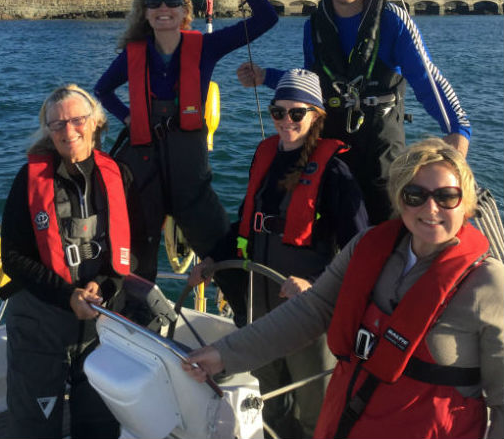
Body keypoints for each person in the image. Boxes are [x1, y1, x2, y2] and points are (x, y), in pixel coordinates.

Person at [183, 138, 504, 439]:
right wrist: (224, 354)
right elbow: (311, 310)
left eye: (447, 197)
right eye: (415, 195)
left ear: (466, 204)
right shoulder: (368, 248)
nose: (431, 209)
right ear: (399, 199)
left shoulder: (487, 283)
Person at [237, 0, 471, 224]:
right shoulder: (314, 26)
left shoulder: (392, 20)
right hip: (331, 142)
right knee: (331, 225)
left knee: (384, 227)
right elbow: (313, 84)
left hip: (381, 145)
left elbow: (427, 80)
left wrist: (457, 128)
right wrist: (265, 77)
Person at [188, 68, 368, 438]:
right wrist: (210, 260)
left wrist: (315, 284)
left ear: (316, 115)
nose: (286, 120)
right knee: (270, 395)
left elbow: (360, 249)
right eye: (278, 112)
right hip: (261, 304)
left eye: (297, 113)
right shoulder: (265, 157)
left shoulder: (335, 172)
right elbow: (244, 226)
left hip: (308, 310)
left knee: (312, 403)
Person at [94, 0, 278, 280]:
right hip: (142, 167)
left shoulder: (207, 47)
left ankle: (246, 320)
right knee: (134, 257)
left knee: (222, 250)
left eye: (172, 1)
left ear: (184, 10)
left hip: (189, 169)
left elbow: (266, 18)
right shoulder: (133, 55)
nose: (163, 8)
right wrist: (127, 116)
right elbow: (102, 90)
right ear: (145, 12)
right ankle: (134, 322)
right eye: (154, 2)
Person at [1, 84, 142, 439]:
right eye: (57, 124)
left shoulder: (119, 176)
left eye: (77, 120)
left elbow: (133, 246)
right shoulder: (28, 181)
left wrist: (107, 284)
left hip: (101, 322)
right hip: (40, 322)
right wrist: (67, 295)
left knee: (99, 424)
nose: (68, 131)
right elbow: (13, 258)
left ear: (95, 122)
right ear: (47, 130)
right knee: (34, 426)